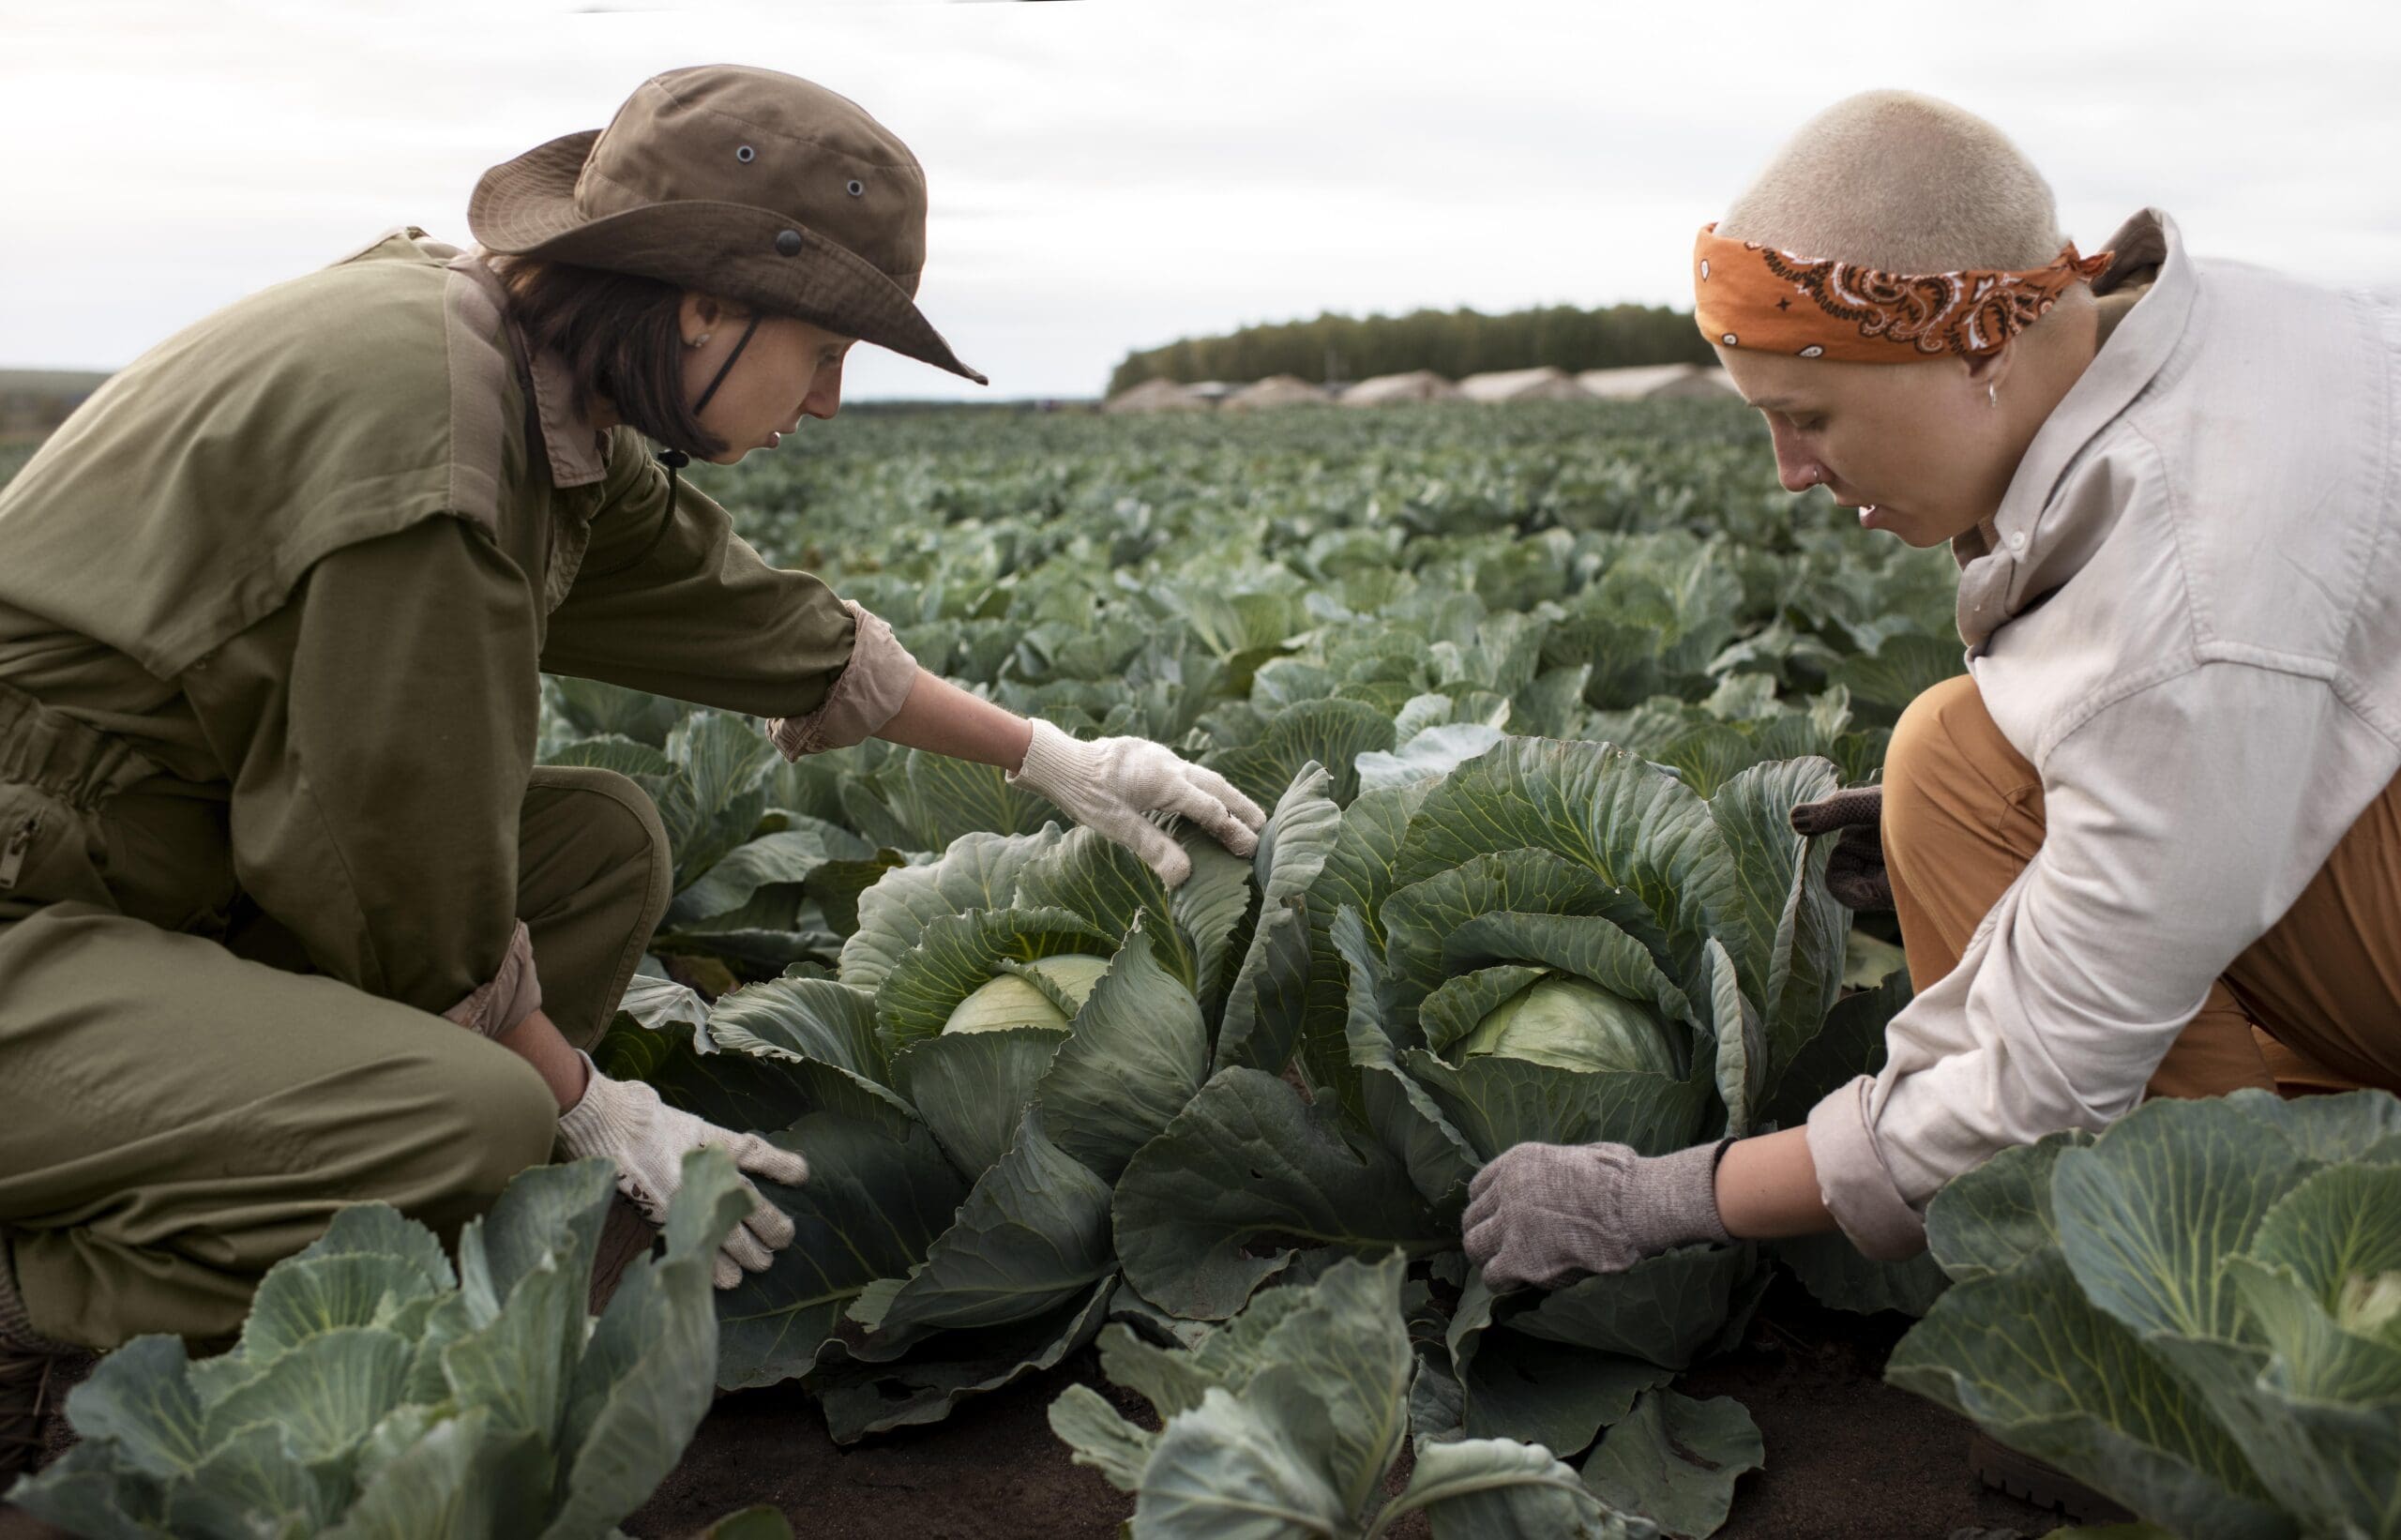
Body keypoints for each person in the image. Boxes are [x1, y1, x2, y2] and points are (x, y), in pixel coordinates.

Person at [0, 63, 1264, 1473]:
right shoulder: (437, 443)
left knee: (598, 844)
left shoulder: (517, 372)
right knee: (465, 1114)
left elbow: (748, 616)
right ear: (706, 302)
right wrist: (583, 1095)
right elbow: (392, 889)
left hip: (142, 860)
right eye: (826, 350)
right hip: (31, 904)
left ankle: (330, 1256)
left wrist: (1057, 757)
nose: (833, 401)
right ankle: (45, 1335)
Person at [1465, 91, 2399, 1290]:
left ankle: (2247, 1302)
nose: (1791, 473)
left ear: (1976, 349)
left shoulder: (2189, 597)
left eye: (1805, 417)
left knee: (1966, 781)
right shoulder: (2229, 335)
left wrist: (1667, 1193)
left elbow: (2044, 1078)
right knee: (1956, 758)